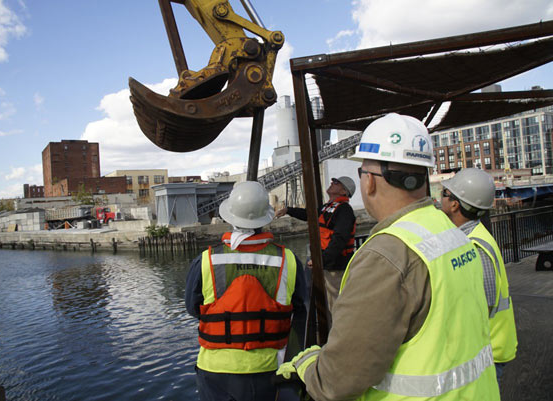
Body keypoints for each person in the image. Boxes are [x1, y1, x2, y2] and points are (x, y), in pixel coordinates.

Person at [276, 113, 500, 400]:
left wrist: (307, 364)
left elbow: (336, 382)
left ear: (369, 182)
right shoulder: (451, 231)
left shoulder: (386, 256)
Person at [185, 181, 307, 401]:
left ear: (230, 217)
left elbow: (193, 309)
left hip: (215, 372)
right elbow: (301, 310)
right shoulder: (288, 260)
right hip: (270, 369)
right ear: (265, 218)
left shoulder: (206, 260)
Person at [440, 168, 518, 386]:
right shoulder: (473, 236)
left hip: (488, 351)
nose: (440, 198)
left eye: (444, 194)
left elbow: (483, 305)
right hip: (486, 348)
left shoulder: (474, 246)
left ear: (455, 204)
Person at [275, 176, 356, 312]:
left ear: (344, 191)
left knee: (334, 304)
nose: (332, 183)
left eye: (336, 182)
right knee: (314, 296)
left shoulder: (344, 210)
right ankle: (318, 325)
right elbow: (309, 214)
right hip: (321, 262)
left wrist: (322, 260)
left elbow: (340, 239)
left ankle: (335, 331)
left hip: (334, 267)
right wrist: (288, 210)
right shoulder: (328, 207)